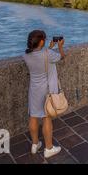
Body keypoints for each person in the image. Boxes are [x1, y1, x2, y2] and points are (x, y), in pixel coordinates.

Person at [23, 30, 66, 159]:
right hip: (47, 91)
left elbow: (40, 55)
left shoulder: (26, 55)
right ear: (41, 41)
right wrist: (59, 47)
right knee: (46, 117)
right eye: (45, 39)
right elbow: (62, 57)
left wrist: (49, 48)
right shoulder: (49, 54)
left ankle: (35, 145)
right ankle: (48, 148)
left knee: (33, 116)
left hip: (34, 90)